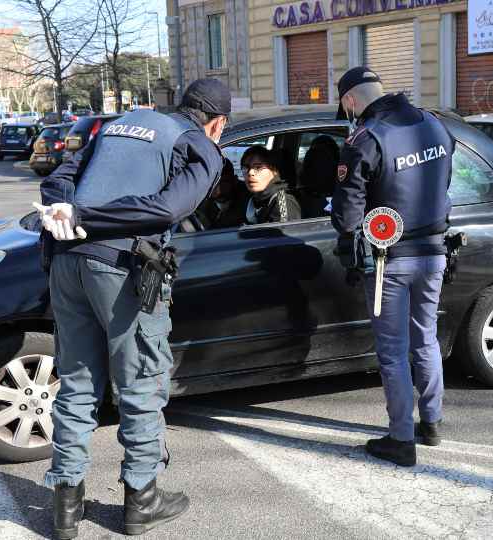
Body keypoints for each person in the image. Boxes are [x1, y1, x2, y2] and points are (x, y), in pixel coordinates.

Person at [33, 78, 230, 539]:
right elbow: (167, 209)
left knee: (78, 385)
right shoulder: (199, 144)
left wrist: (67, 210)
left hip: (66, 262)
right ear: (217, 123)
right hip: (122, 269)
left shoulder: (122, 124)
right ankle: (142, 501)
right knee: (141, 383)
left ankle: (65, 509)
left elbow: (61, 175)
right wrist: (89, 218)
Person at [331, 67, 454, 467]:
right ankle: (432, 422)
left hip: (390, 262)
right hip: (435, 252)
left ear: (350, 101)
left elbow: (347, 219)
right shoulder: (432, 124)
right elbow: (445, 178)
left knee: (392, 352)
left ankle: (401, 438)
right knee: (427, 338)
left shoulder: (366, 138)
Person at [240, 145, 301, 224]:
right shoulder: (252, 199)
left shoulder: (283, 202)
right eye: (246, 168)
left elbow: (286, 234)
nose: (250, 173)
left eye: (258, 168)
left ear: (274, 171)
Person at [195, 158, 246, 229]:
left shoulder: (245, 200)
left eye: (221, 182)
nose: (215, 186)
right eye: (212, 181)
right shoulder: (202, 200)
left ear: (234, 180)